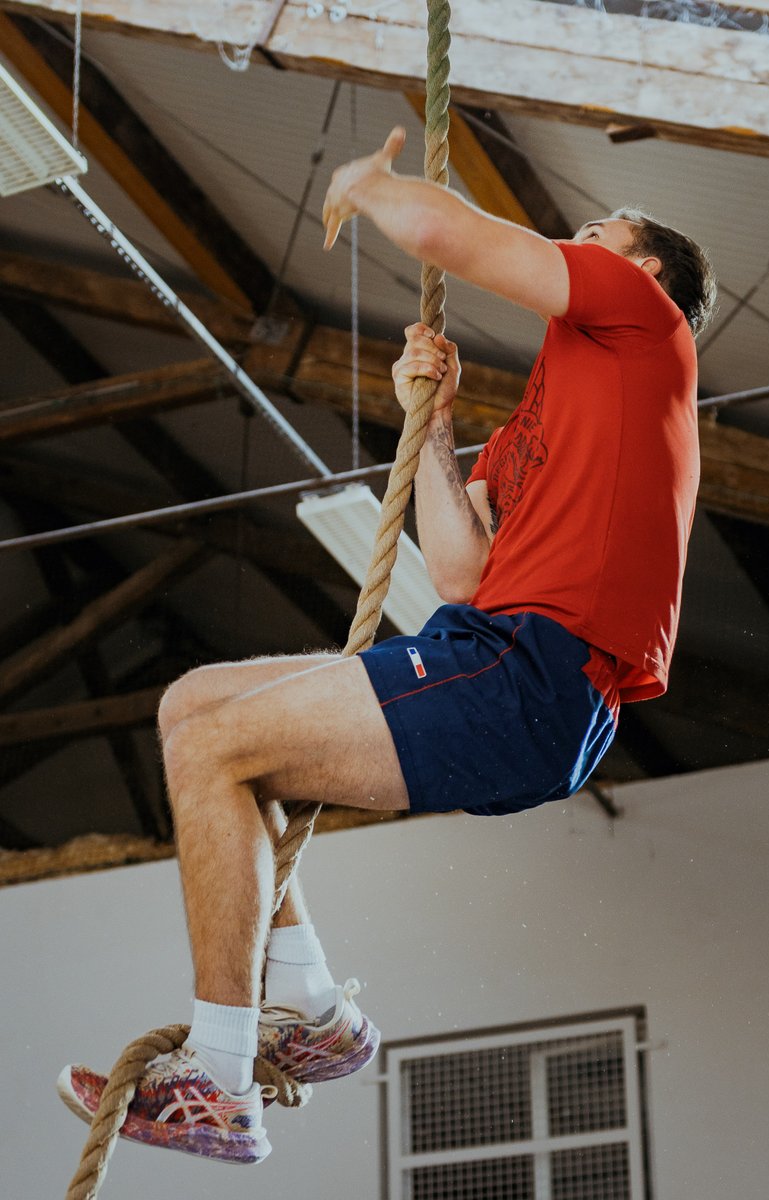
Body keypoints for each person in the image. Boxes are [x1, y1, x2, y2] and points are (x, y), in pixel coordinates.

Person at [58, 126, 716, 1165]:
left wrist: (375, 188)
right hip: (489, 640)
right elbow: (457, 571)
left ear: (639, 272)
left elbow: (453, 234)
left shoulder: (645, 323)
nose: (573, 242)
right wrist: (441, 424)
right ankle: (313, 1007)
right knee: (191, 707)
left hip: (535, 676)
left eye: (595, 234)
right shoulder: (551, 409)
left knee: (208, 754)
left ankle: (222, 1083)